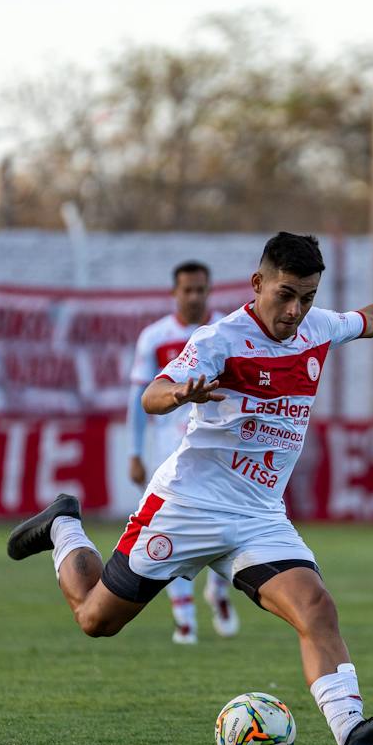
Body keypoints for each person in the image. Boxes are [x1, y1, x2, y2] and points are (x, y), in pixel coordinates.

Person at [8, 231, 373, 745]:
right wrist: (180, 394)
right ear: (257, 283)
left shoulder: (315, 329)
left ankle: (352, 733)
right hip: (187, 506)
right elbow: (152, 393)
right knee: (97, 619)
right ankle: (63, 525)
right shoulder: (222, 339)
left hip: (259, 514)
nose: (295, 310)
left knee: (317, 607)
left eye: (307, 297)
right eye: (286, 294)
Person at [127, 259, 241, 645]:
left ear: (210, 291)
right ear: (175, 292)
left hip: (217, 452)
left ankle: (218, 593)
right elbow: (138, 399)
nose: (194, 296)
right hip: (168, 452)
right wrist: (134, 451)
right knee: (170, 532)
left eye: (201, 290)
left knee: (225, 528)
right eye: (187, 290)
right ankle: (185, 619)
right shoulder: (155, 338)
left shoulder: (227, 331)